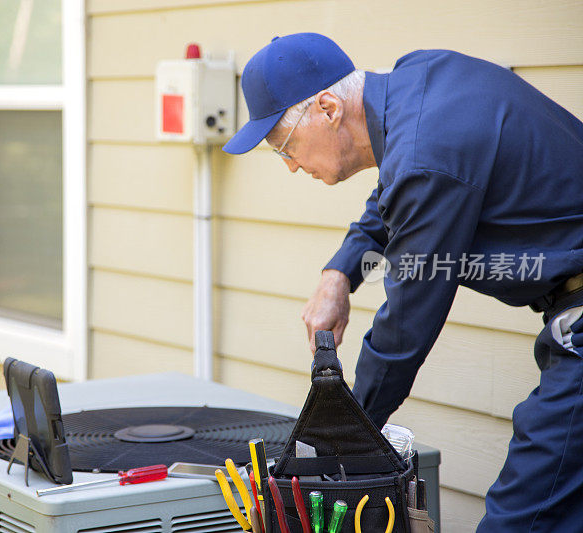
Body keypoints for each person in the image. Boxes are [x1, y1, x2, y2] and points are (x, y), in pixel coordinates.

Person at [222, 33, 583, 531]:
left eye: (284, 145)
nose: (290, 166)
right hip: (568, 311)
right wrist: (339, 274)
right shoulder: (418, 81)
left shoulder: (425, 158)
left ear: (328, 109)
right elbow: (395, 192)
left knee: (522, 517)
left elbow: (404, 331)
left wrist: (341, 446)